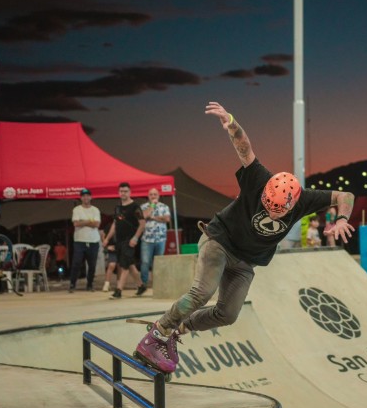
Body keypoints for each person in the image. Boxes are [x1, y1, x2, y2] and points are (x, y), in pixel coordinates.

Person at [134, 101, 355, 374]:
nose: (272, 215)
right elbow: (245, 148)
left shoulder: (306, 198)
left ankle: (180, 328)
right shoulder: (258, 178)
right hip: (219, 241)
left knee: (228, 315)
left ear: (292, 204)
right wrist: (231, 123)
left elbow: (345, 196)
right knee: (202, 293)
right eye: (268, 208)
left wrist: (343, 218)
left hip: (246, 262)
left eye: (278, 213)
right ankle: (157, 334)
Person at [102, 182, 145, 299]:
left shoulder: (135, 207)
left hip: (130, 240)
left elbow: (142, 223)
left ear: (130, 192)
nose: (123, 193)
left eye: (125, 191)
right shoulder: (117, 208)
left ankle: (118, 290)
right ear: (118, 192)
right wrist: (107, 239)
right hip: (119, 241)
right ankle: (141, 286)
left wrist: (135, 238)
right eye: (121, 191)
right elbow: (114, 225)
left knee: (124, 265)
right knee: (130, 265)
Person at [139, 188, 171, 294]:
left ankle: (157, 285)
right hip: (147, 239)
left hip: (160, 238)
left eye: (155, 194)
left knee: (158, 263)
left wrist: (153, 217)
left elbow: (167, 219)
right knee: (145, 262)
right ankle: (143, 284)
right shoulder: (143, 207)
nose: (153, 196)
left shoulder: (164, 206)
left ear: (159, 195)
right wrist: (152, 207)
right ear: (148, 196)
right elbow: (144, 216)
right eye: (151, 194)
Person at [69, 188, 101, 292]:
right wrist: (89, 221)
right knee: (76, 263)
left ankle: (90, 284)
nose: (85, 197)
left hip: (93, 241)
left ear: (91, 197)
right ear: (80, 198)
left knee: (92, 264)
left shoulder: (95, 210)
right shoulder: (77, 209)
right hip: (79, 241)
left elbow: (96, 224)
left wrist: (83, 221)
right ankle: (72, 284)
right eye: (83, 196)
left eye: (87, 195)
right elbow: (76, 223)